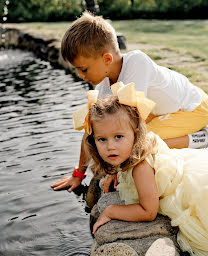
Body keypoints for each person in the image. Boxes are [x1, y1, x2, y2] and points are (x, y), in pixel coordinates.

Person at [51, 11, 208, 193]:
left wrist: (117, 169)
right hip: (162, 113)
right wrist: (78, 174)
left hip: (193, 108)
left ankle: (202, 137)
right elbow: (91, 129)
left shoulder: (137, 63)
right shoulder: (104, 82)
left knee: (146, 141)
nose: (80, 75)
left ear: (107, 59)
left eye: (83, 69)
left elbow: (130, 127)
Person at [76, 82, 208, 256]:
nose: (111, 146)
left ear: (135, 133)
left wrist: (111, 210)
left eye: (118, 137)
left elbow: (148, 211)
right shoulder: (130, 151)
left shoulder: (140, 167)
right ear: (93, 141)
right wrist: (114, 173)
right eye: (102, 139)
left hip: (189, 191)